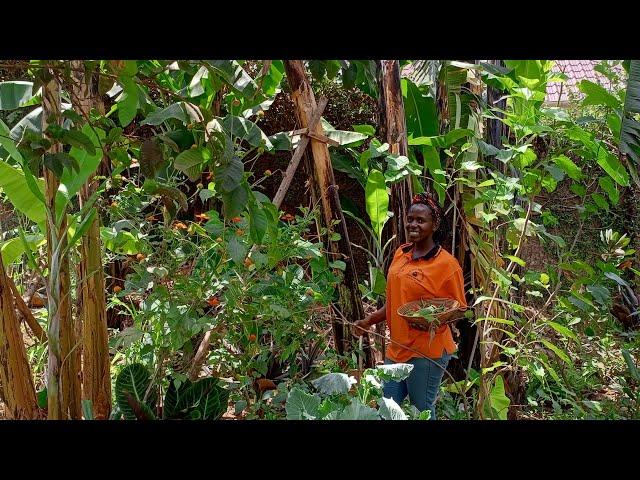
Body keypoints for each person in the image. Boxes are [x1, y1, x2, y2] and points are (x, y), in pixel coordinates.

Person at [353, 192, 467, 419]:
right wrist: (369, 320)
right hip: (397, 348)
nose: (413, 224)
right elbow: (395, 302)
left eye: (420, 220)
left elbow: (459, 309)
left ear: (434, 225)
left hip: (426, 352)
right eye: (410, 219)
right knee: (387, 407)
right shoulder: (401, 254)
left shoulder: (446, 265)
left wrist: (432, 321)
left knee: (421, 409)